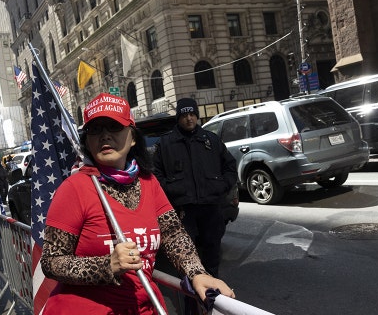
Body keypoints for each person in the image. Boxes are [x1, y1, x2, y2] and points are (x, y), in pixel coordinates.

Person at [40, 93, 234, 314]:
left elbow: (173, 234)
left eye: (114, 127)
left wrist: (197, 272)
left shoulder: (148, 182)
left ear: (132, 137)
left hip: (142, 307)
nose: (105, 135)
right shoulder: (73, 188)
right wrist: (106, 266)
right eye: (96, 129)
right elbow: (51, 261)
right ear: (87, 140)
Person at [153, 98, 238, 278]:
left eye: (192, 114)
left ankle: (212, 291)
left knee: (212, 251)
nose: (189, 119)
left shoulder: (211, 140)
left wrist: (222, 186)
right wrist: (170, 189)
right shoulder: (166, 143)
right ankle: (190, 294)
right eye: (184, 115)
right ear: (178, 118)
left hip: (211, 208)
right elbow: (156, 173)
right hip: (183, 210)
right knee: (186, 254)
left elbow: (230, 166)